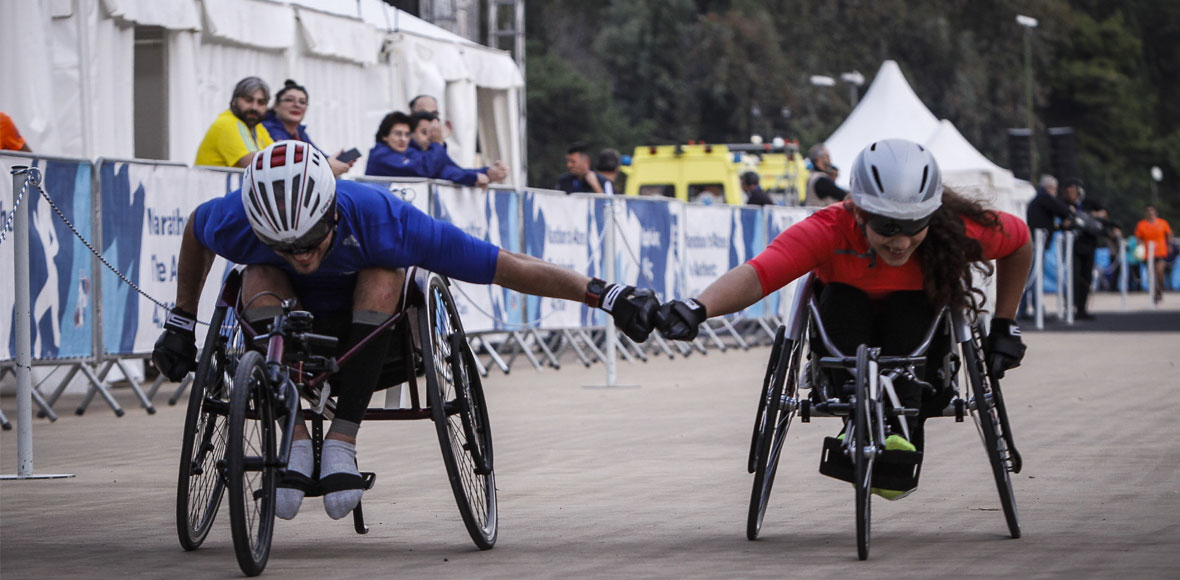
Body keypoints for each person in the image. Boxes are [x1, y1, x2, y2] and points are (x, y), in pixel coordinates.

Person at [152, 140, 658, 521]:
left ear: (331, 211)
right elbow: (197, 230)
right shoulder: (237, 220)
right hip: (287, 328)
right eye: (284, 245)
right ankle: (297, 440)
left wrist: (606, 295)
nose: (301, 256)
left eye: (309, 241)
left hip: (379, 339)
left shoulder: (384, 219)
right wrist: (180, 319)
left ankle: (343, 441)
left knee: (385, 272)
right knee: (257, 274)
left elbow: (507, 265)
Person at [654, 139, 1031, 499]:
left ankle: (902, 430)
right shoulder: (829, 228)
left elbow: (1019, 242)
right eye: (886, 226)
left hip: (919, 336)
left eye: (914, 225)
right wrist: (697, 307)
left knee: (911, 304)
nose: (900, 241)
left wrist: (1004, 325)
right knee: (842, 296)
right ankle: (856, 417)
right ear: (859, 210)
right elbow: (759, 275)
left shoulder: (955, 229)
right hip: (843, 331)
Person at [260, 79, 354, 177]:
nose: (296, 105)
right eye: (289, 100)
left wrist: (335, 160)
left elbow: (317, 155)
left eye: (302, 102)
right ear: (276, 105)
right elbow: (292, 160)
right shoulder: (266, 128)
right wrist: (328, 166)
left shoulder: (299, 131)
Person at [1061, 178, 1119, 320]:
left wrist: (1094, 215)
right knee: (1073, 277)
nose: (1070, 195)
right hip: (1072, 246)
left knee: (1086, 277)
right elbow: (1060, 223)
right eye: (1068, 192)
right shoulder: (1064, 205)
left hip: (1089, 244)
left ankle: (1082, 309)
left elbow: (1104, 213)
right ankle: (1070, 307)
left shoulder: (1089, 203)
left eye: (1073, 192)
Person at [1019, 175, 1073, 319]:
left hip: (1034, 242)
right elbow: (1063, 210)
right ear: (1050, 188)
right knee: (1034, 278)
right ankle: (1036, 311)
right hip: (1037, 244)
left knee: (1029, 277)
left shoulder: (1037, 200)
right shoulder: (1044, 198)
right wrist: (1071, 213)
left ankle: (1025, 309)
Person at [408, 111, 507, 187]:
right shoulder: (409, 153)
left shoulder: (434, 151)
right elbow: (431, 170)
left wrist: (487, 173)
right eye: (424, 132)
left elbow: (454, 171)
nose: (431, 137)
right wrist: (438, 143)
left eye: (434, 133)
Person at [195, 76, 274, 168]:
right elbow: (252, 165)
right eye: (248, 100)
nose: (254, 107)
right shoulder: (228, 124)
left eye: (261, 102)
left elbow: (279, 155)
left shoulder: (257, 127)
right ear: (234, 101)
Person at [364, 112, 436, 179]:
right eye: (398, 134)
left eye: (407, 135)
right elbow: (424, 169)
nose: (403, 139)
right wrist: (437, 144)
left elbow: (438, 169)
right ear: (385, 136)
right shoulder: (381, 155)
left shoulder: (409, 152)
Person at [1134, 205, 1174, 304]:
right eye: (1148, 211)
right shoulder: (1141, 224)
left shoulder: (1162, 223)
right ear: (1146, 213)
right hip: (1148, 253)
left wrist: (1169, 244)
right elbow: (1138, 237)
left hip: (1160, 251)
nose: (1150, 213)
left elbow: (1169, 234)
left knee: (1160, 272)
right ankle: (1154, 292)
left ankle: (1159, 290)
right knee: (1151, 274)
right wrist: (1140, 245)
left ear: (1156, 213)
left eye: (1152, 211)